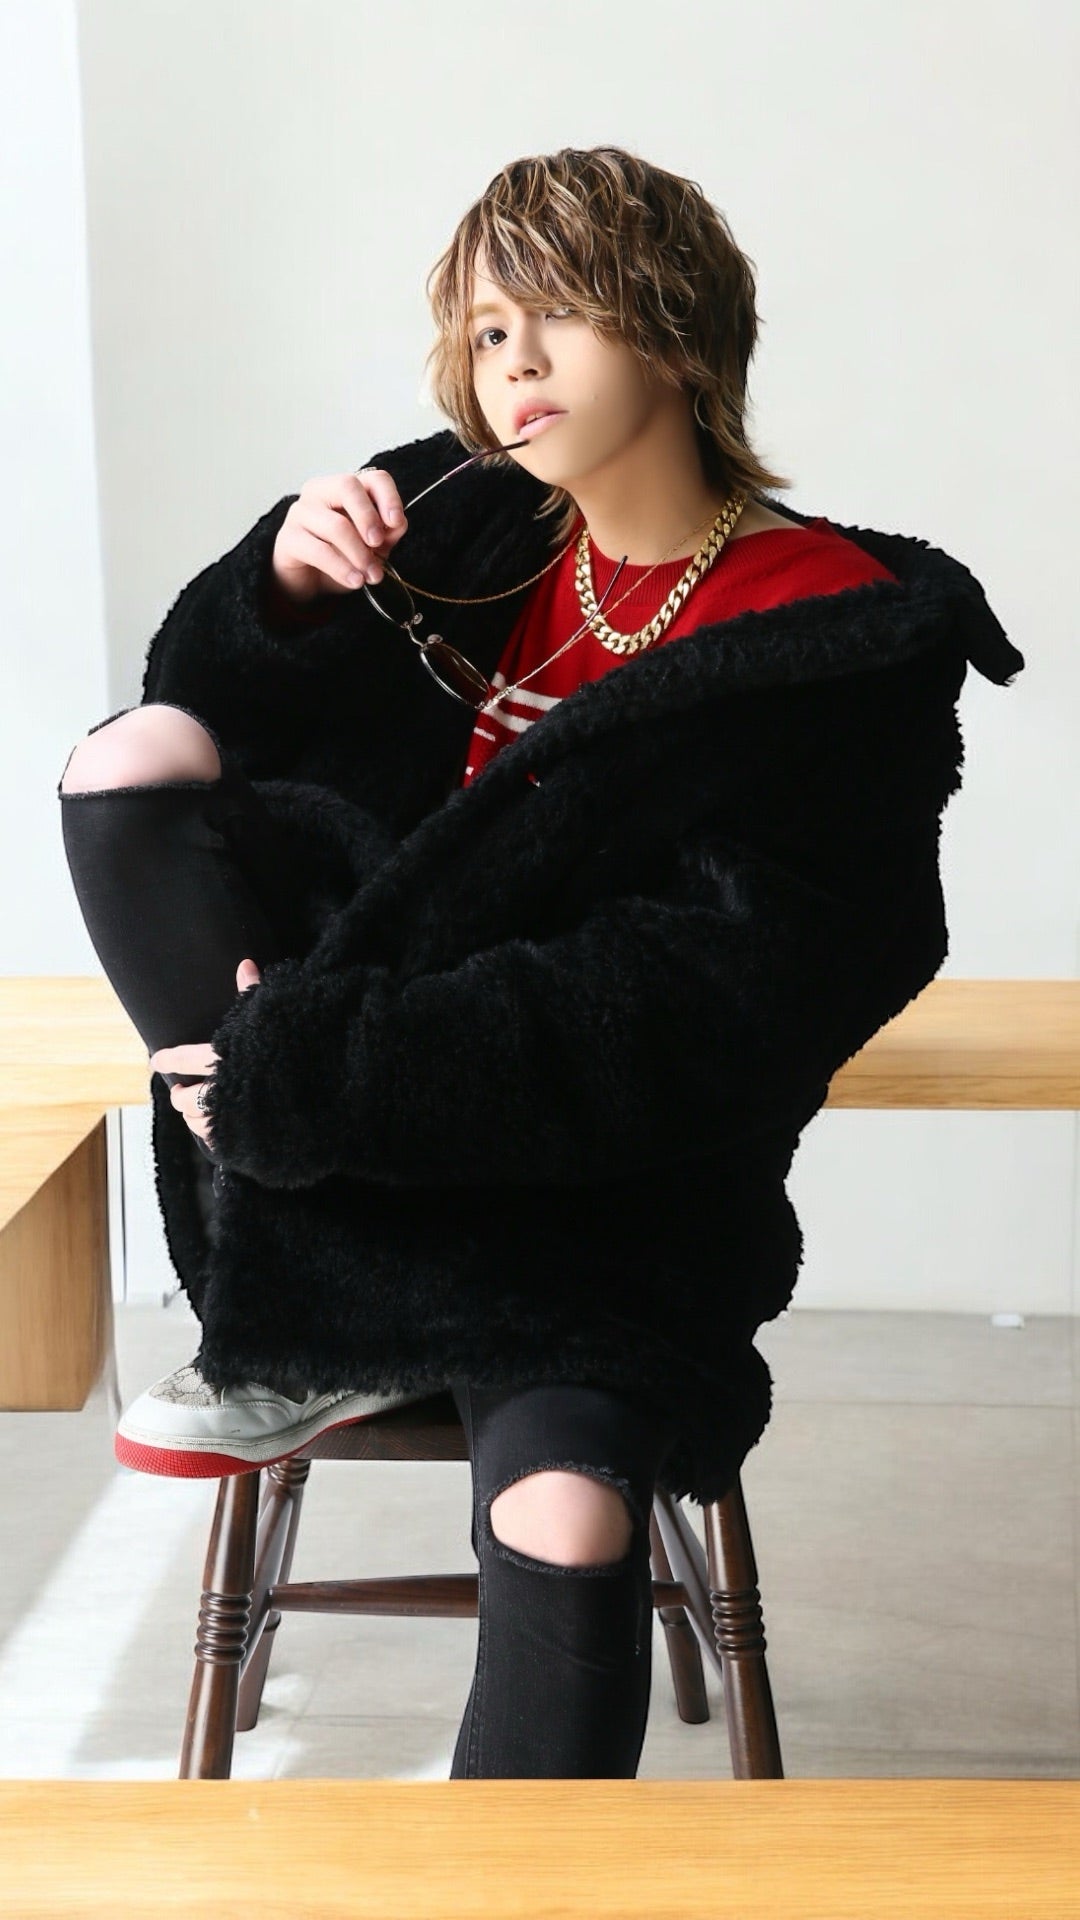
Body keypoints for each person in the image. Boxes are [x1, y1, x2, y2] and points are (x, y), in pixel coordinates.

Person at [57, 144, 1024, 1779]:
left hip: (607, 1194)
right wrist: (284, 585)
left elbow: (724, 995)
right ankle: (313, 1284)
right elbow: (236, 753)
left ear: (675, 322)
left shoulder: (828, 628)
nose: (513, 367)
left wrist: (335, 1075)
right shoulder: (465, 529)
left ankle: (512, 1875)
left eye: (555, 315)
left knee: (570, 1517)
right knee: (134, 757)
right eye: (487, 332)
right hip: (346, 1152)